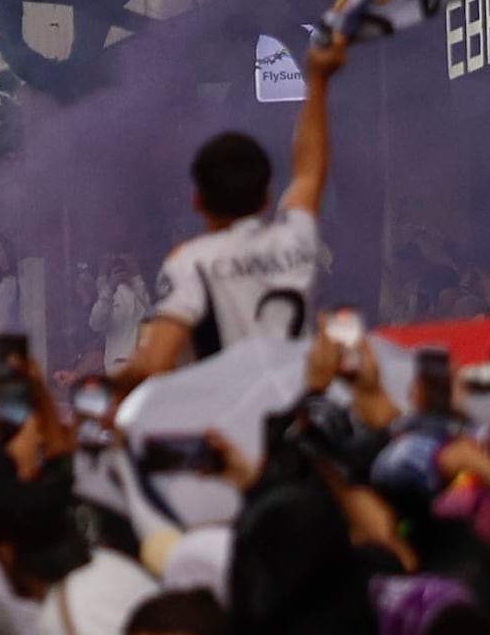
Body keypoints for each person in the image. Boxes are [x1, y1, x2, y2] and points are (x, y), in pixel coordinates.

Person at [131, 25, 348, 376]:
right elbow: (309, 172)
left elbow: (156, 362)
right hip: (296, 415)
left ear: (197, 201)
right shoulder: (295, 239)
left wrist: (117, 385)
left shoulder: (190, 262)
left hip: (228, 423)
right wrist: (319, 78)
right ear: (267, 197)